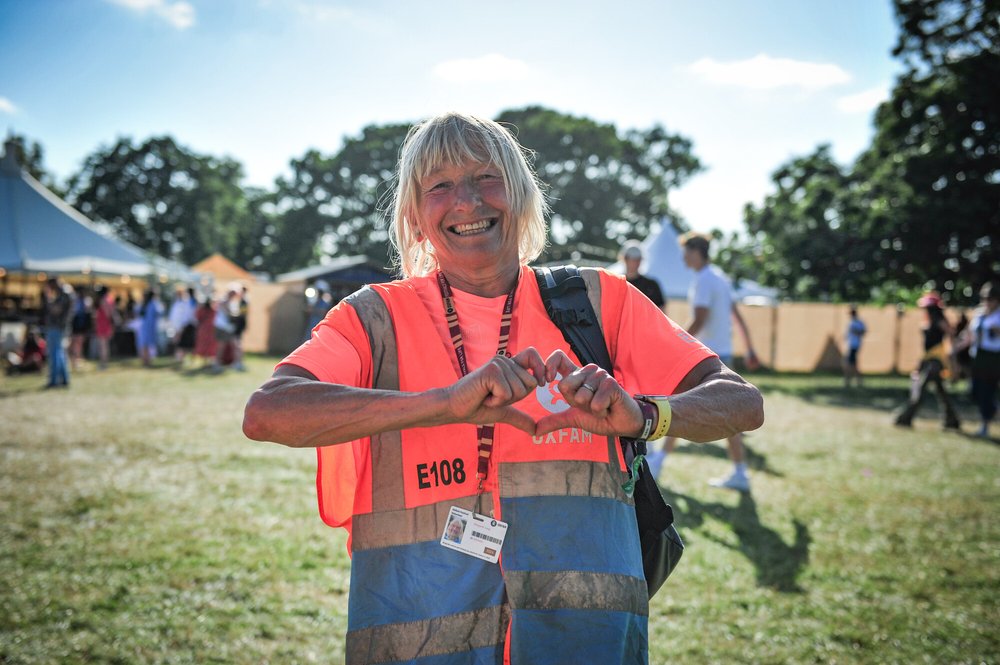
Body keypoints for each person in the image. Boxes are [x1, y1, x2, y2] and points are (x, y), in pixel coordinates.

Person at [244, 112, 764, 664]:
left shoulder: (597, 301)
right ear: (416, 218)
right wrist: (443, 405)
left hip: (584, 642)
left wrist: (642, 416)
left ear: (520, 195)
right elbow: (269, 412)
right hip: (415, 642)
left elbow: (741, 402)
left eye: (486, 177)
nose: (467, 201)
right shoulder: (374, 318)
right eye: (439, 185)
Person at [651, 231, 760, 492]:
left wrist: (676, 343)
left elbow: (700, 317)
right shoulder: (720, 278)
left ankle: (658, 462)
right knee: (726, 413)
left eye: (686, 252)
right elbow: (736, 316)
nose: (683, 258)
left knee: (678, 405)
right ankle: (740, 472)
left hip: (707, 358)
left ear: (696, 252)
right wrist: (750, 347)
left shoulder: (703, 281)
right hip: (724, 354)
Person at [894, 292, 962, 431]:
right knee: (940, 391)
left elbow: (951, 334)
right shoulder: (930, 320)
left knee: (921, 389)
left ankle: (906, 417)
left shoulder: (939, 320)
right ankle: (952, 419)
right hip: (928, 359)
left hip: (936, 362)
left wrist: (952, 357)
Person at [967, 282, 1000, 437]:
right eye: (985, 298)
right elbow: (970, 335)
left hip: (993, 357)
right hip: (977, 356)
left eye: (991, 298)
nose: (987, 301)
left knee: (987, 391)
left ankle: (985, 424)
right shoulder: (978, 314)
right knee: (975, 391)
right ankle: (993, 409)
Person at [620, 240, 667, 314]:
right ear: (625, 259)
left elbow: (662, 311)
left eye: (638, 259)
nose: (636, 262)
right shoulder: (618, 284)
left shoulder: (652, 285)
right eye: (633, 258)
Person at [41, 276, 72, 388]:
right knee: (60, 353)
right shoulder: (66, 292)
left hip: (57, 327)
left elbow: (56, 310)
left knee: (55, 354)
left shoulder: (64, 293)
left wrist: (48, 298)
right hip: (61, 327)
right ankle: (64, 379)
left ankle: (54, 381)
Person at [167, 285, 197, 366]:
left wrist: (182, 327)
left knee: (186, 344)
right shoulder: (177, 303)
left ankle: (186, 359)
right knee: (179, 343)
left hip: (185, 326)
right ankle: (179, 358)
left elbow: (186, 316)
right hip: (178, 326)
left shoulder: (186, 303)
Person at [137, 289, 164, 367]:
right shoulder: (153, 304)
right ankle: (147, 360)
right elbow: (160, 313)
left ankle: (145, 360)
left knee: (144, 345)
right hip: (150, 327)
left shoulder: (144, 304)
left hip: (144, 327)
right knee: (147, 345)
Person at [93, 285, 118, 369]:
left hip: (104, 324)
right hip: (105, 324)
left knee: (103, 345)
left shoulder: (104, 300)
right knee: (104, 345)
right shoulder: (109, 299)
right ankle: (104, 363)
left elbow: (108, 313)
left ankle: (103, 364)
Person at [69, 286, 92, 370]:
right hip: (76, 324)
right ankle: (74, 361)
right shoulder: (75, 300)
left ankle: (77, 361)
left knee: (79, 343)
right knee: (75, 343)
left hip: (81, 325)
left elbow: (88, 312)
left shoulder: (86, 301)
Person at [843, 306, 867, 389]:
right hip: (850, 345)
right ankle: (853, 381)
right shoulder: (851, 322)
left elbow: (863, 332)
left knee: (851, 364)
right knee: (851, 364)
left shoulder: (859, 322)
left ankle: (850, 381)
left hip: (855, 345)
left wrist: (855, 330)